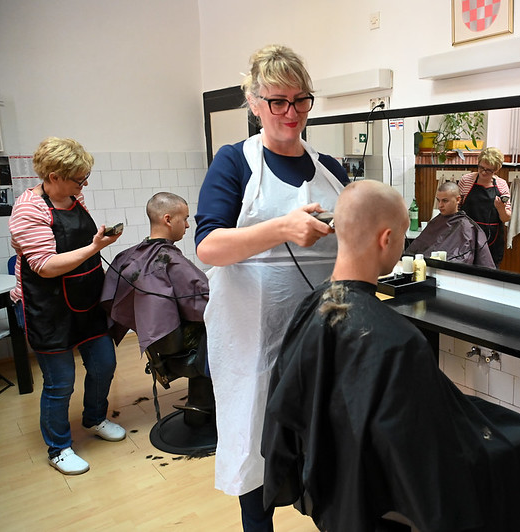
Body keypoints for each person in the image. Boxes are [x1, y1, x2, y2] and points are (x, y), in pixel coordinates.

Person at [262, 180, 520, 532]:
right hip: (388, 492)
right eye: (403, 237)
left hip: (335, 483)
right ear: (387, 239)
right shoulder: (398, 342)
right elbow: (428, 470)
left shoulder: (310, 308)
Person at [194, 44, 349, 531]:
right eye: (277, 101)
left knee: (325, 447)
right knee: (254, 449)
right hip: (252, 339)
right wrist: (282, 228)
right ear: (254, 102)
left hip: (320, 336)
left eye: (300, 100)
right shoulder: (234, 163)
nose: (291, 112)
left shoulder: (331, 169)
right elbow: (208, 247)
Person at [8, 137, 126, 475]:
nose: (83, 185)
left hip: (85, 299)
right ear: (54, 176)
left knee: (103, 364)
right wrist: (94, 248)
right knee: (60, 382)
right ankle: (58, 448)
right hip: (47, 308)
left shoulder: (74, 198)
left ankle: (94, 418)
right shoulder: (29, 209)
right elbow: (45, 266)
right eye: (78, 178)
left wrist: (96, 244)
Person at [100, 192, 209, 353]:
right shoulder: (170, 260)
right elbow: (204, 305)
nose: (187, 225)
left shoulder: (127, 257)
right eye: (185, 219)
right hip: (177, 339)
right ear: (168, 220)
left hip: (153, 337)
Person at [405, 181, 495, 267]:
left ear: (458, 200)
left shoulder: (468, 227)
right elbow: (413, 251)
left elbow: (483, 264)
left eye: (445, 201)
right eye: (438, 200)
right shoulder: (435, 222)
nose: (440, 205)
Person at [458, 147, 511, 267]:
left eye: (488, 170)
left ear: (496, 170)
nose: (483, 172)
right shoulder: (466, 181)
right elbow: (457, 208)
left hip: (492, 240)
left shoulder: (502, 185)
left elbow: (506, 218)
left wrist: (501, 208)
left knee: (490, 273)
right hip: (467, 236)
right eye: (481, 167)